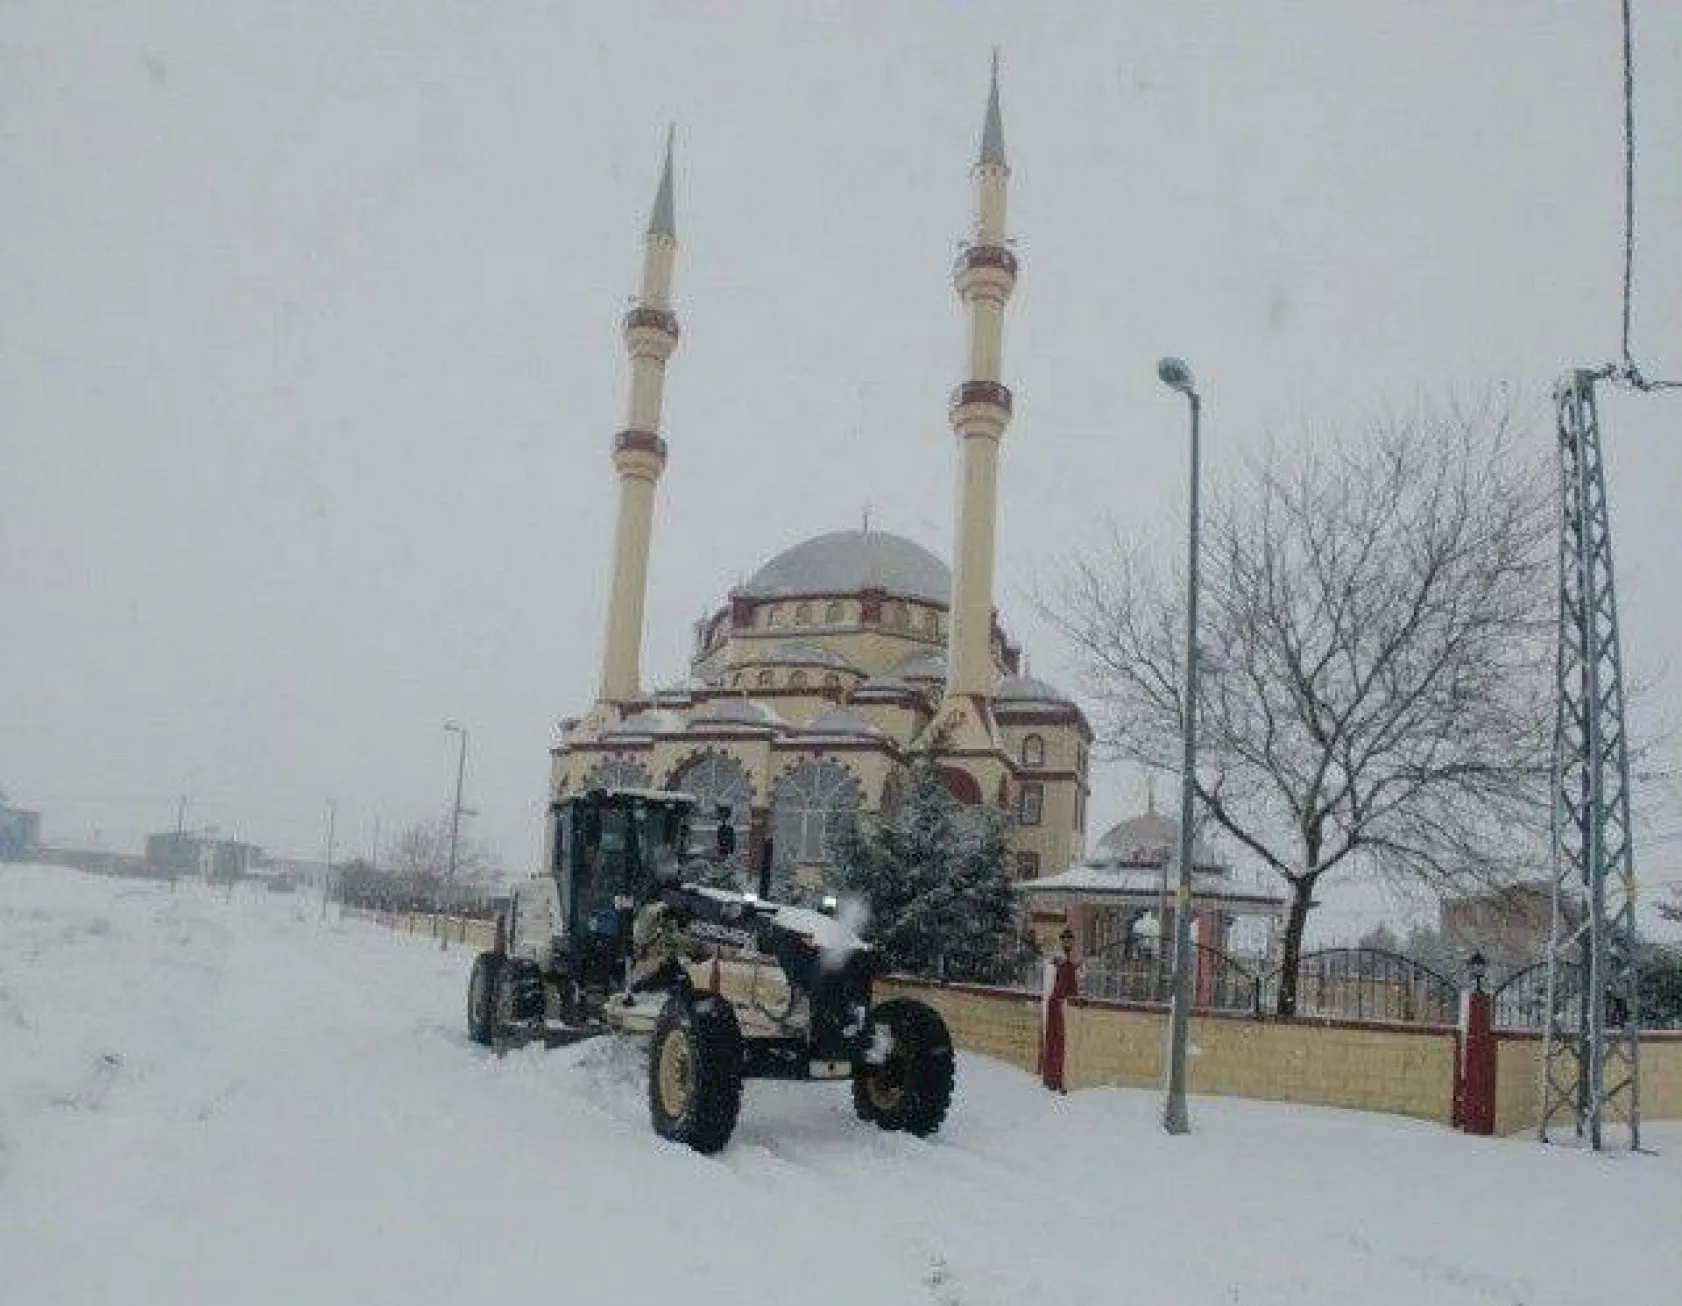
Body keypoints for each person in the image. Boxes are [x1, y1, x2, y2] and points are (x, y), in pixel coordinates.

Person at [1038, 927, 1080, 1093]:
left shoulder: (1073, 960)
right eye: (1065, 939)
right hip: (1056, 1005)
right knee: (1055, 1041)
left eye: (1070, 940)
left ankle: (1061, 1078)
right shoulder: (1056, 960)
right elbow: (1050, 983)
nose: (1067, 942)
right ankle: (1052, 1078)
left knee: (1066, 1044)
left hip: (1069, 1006)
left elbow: (1075, 982)